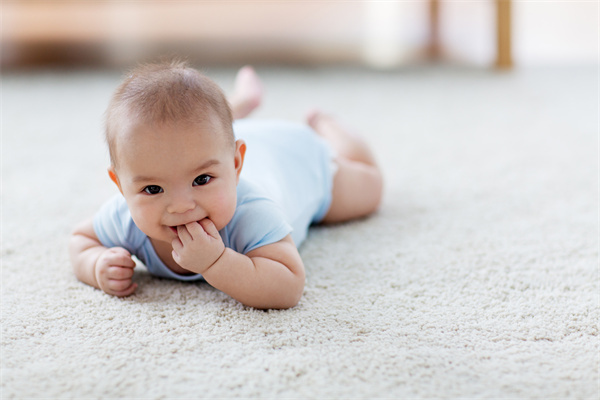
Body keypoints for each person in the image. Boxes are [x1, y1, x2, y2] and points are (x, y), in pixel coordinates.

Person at [69, 61, 383, 309]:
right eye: (152, 189)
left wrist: (216, 262)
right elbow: (82, 239)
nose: (181, 206)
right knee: (195, 131)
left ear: (235, 165)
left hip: (295, 160)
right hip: (212, 144)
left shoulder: (252, 211)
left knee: (370, 187)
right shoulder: (125, 216)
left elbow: (288, 286)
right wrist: (96, 265)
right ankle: (240, 106)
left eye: (201, 180)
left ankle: (326, 123)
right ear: (121, 186)